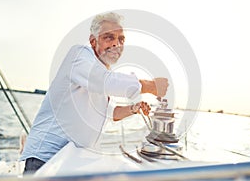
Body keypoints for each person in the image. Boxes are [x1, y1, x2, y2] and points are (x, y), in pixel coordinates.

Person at [20, 12, 169, 174]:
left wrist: (134, 108)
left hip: (70, 163)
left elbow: (111, 112)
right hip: (46, 159)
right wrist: (150, 86)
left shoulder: (101, 71)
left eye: (121, 39)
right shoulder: (79, 56)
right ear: (93, 41)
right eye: (109, 38)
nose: (116, 44)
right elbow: (104, 81)